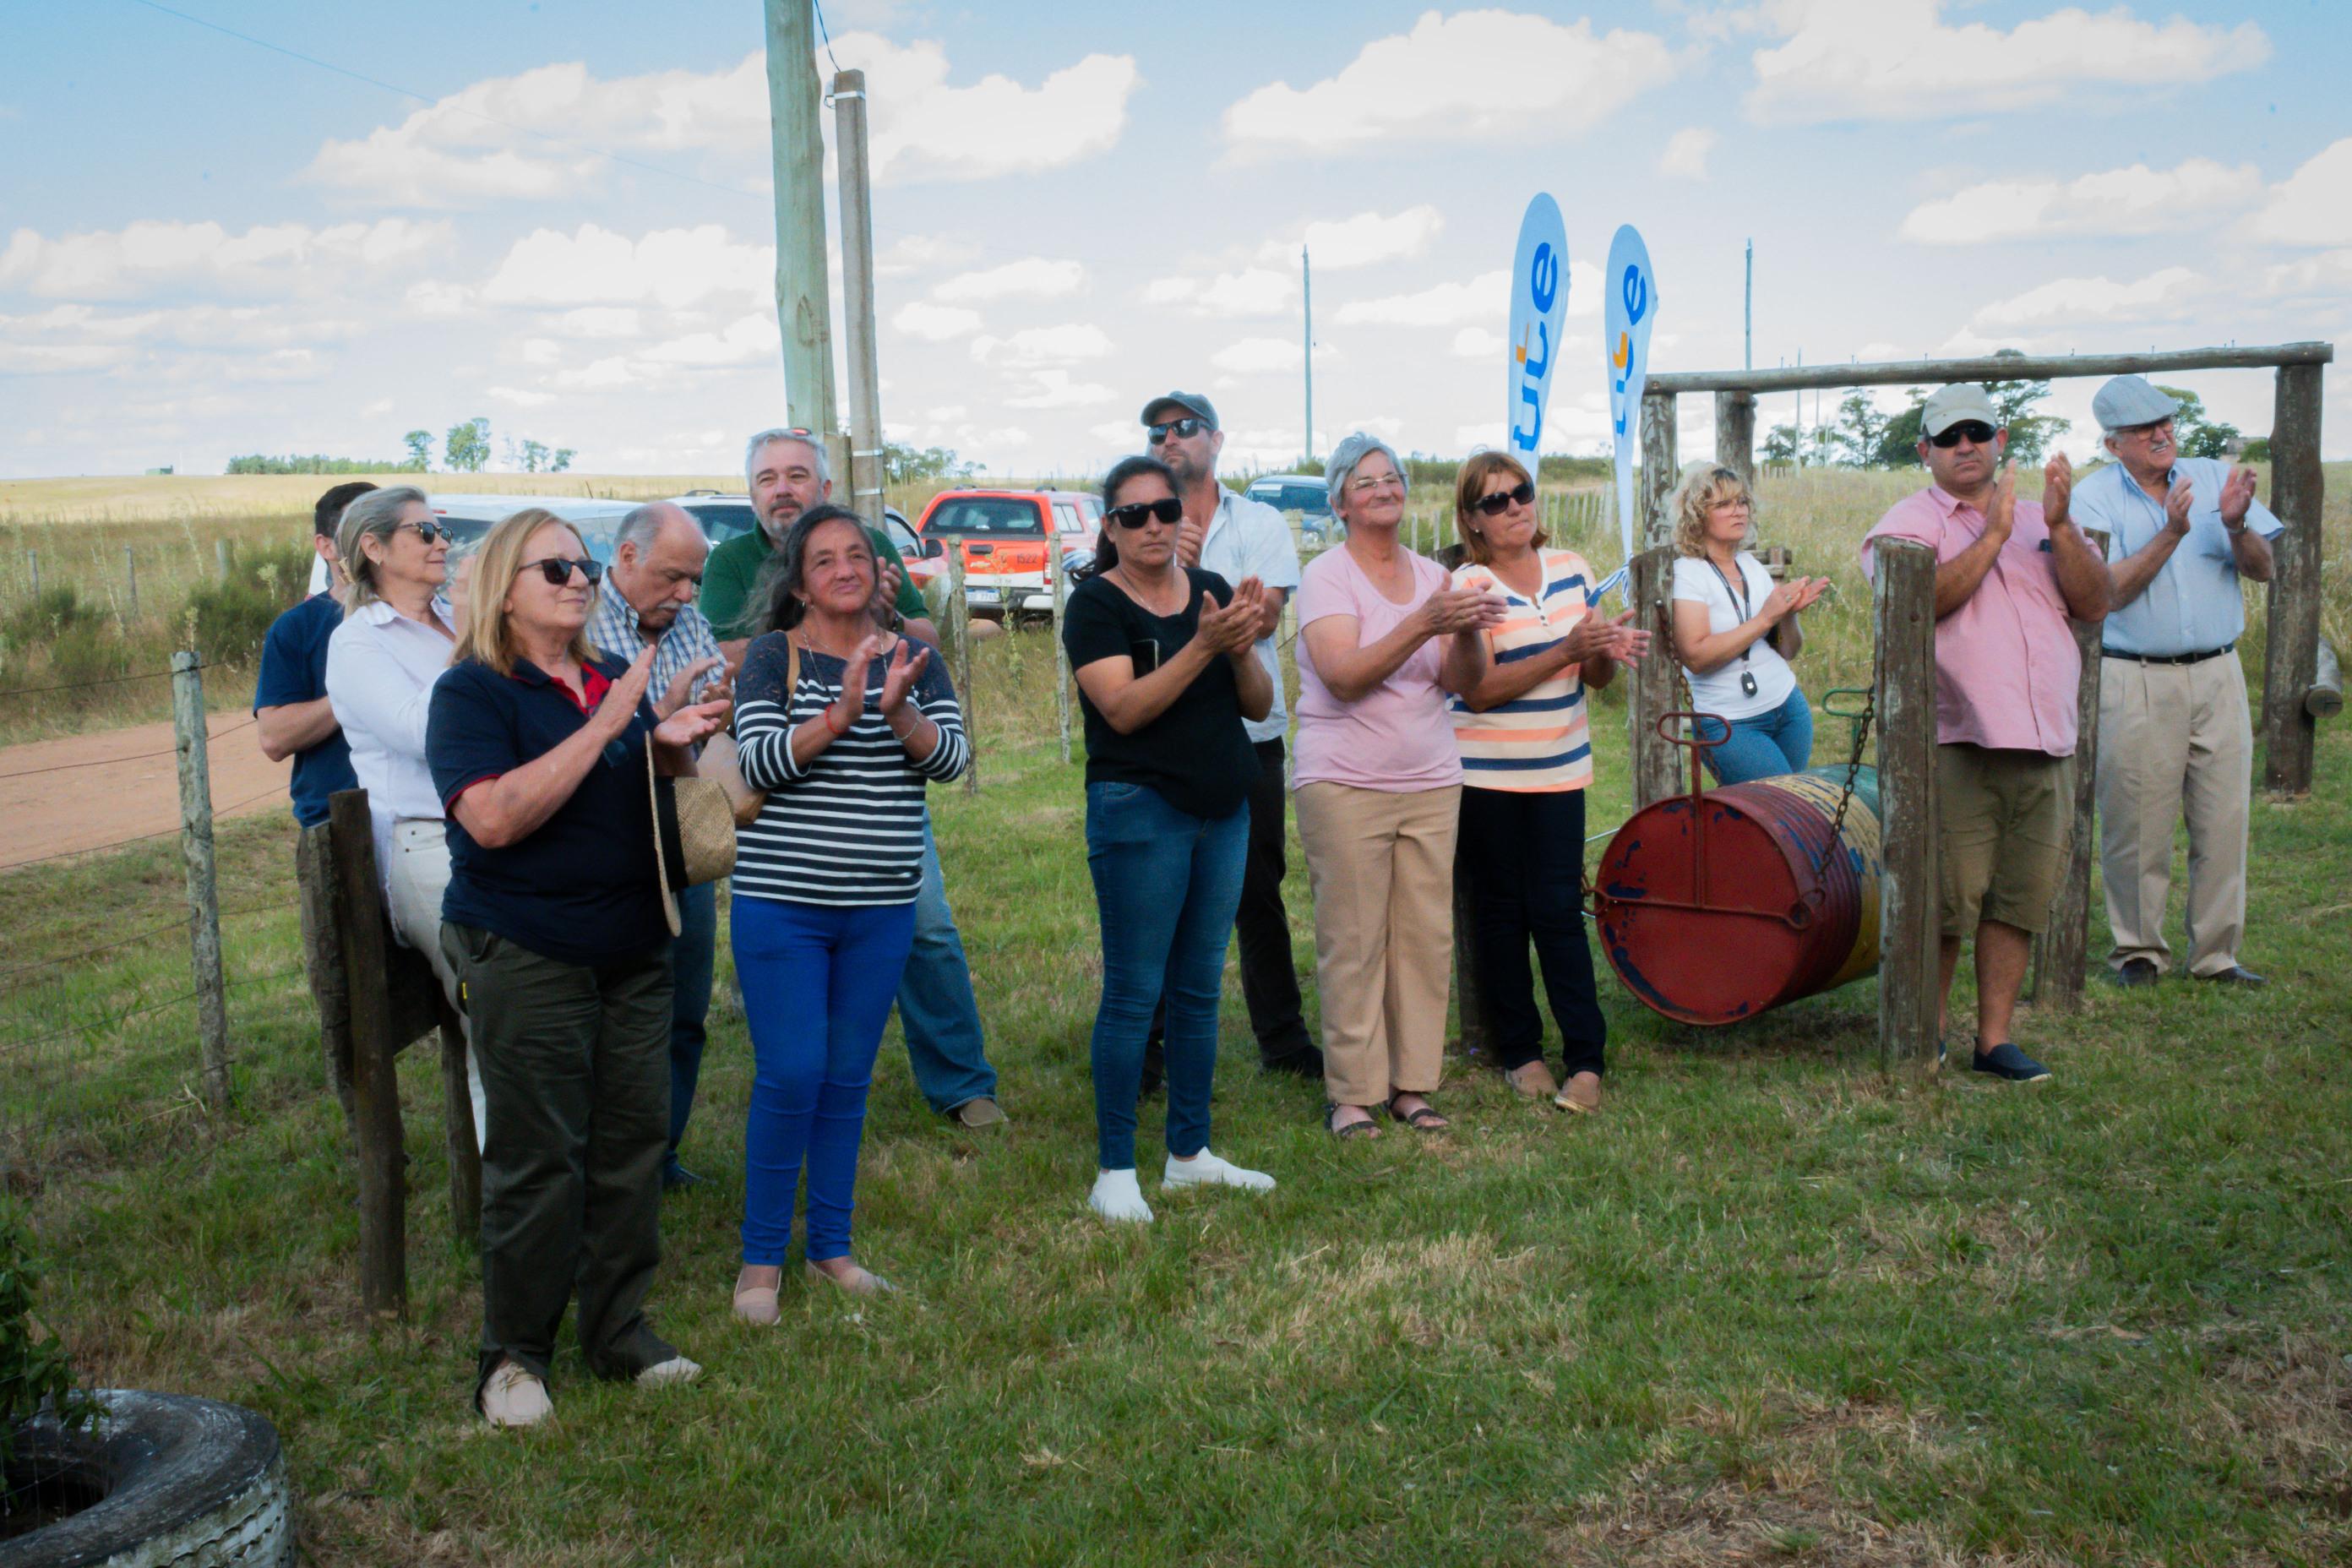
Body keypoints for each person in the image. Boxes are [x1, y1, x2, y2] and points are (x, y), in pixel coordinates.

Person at [427, 508, 730, 1427]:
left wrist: (666, 745)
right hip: (529, 953)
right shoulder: (474, 692)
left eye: (584, 566)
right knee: (538, 1159)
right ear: (502, 589)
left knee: (632, 1145)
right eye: (555, 567)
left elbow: (631, 796)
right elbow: (491, 818)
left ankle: (618, 1329)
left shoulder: (607, 677)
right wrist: (609, 723)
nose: (579, 581)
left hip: (637, 949)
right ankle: (512, 1358)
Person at [701, 428, 1005, 1131]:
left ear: (825, 488)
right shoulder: (731, 560)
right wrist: (839, 621)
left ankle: (961, 1081)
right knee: (796, 951)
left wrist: (883, 617)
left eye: (797, 476)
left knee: (926, 927)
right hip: (788, 824)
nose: (782, 490)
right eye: (767, 478)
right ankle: (796, 1084)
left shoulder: (866, 542)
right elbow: (721, 650)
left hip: (885, 805)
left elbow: (924, 643)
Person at [727, 505, 970, 1322]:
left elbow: (954, 760)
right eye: (824, 559)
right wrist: (839, 715)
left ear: (879, 569)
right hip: (782, 906)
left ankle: (831, 1248)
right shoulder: (774, 656)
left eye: (857, 555)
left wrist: (899, 709)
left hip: (881, 907)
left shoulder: (918, 658)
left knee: (845, 1080)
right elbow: (758, 758)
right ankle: (760, 1262)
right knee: (791, 1071)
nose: (843, 569)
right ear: (799, 582)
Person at [1859, 384, 2109, 1083]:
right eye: (1948, 437)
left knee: (2019, 896)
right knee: (1943, 899)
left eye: (1978, 432)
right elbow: (1915, 605)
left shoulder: (2043, 515)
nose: (1965, 446)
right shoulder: (1906, 523)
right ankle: (1928, 1032)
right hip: (1957, 739)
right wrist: (1994, 535)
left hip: (2045, 738)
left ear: (2002, 440)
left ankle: (1993, 1039)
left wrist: (2059, 529)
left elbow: (2093, 604)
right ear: (1925, 452)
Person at [1063, 454, 1280, 1223]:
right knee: (1133, 993)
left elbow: (1256, 707)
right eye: (1134, 515)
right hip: (1140, 813)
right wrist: (1201, 643)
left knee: (1197, 990)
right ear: (1110, 527)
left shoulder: (1213, 591)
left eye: (1165, 511)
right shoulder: (1094, 605)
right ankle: (1114, 1170)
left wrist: (1240, 644)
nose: (1153, 525)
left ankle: (1189, 1154)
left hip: (1224, 809)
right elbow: (1122, 709)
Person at [1293, 433, 1505, 1138]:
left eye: (1394, 477)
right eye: (1366, 481)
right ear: (1339, 502)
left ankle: (1411, 1085)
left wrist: (1468, 629)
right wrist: (1425, 623)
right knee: (1353, 939)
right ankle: (1352, 1093)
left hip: (1431, 780)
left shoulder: (1433, 574)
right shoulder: (1327, 575)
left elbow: (1463, 684)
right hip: (1345, 782)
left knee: (1422, 938)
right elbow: (1345, 675)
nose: (1384, 489)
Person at [1447, 452, 1648, 1113]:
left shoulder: (1572, 570)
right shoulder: (1468, 586)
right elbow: (1476, 693)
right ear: (1472, 521)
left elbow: (1595, 682)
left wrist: (1601, 648)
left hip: (1561, 768)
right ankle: (1520, 1052)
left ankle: (1586, 1059)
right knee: (1503, 913)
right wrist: (1563, 649)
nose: (1514, 507)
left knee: (1559, 913)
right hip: (1489, 776)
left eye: (1521, 493)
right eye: (1495, 501)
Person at [2070, 376, 2281, 989]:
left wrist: (2239, 527)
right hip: (2134, 676)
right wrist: (2172, 532)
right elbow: (2104, 594)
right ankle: (2139, 952)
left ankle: (2217, 955)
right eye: (2143, 429)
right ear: (2113, 445)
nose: (2161, 434)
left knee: (2224, 816)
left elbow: (2264, 571)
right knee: (2137, 820)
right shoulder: (2092, 501)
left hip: (2218, 671)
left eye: (2165, 421)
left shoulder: (2213, 477)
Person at [1132, 393, 1319, 1081]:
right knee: (1157, 892)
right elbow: (1128, 622)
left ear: (1216, 439)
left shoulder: (1260, 520)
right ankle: (1149, 1047)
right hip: (1162, 734)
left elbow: (1261, 620)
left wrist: (1179, 580)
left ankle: (1284, 1039)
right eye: (1157, 432)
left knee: (1256, 889)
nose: (1169, 440)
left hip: (1248, 731)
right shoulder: (1137, 526)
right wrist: (1171, 569)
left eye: (1183, 428)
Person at [324, 486, 484, 1138]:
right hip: (428, 843)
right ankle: (523, 1208)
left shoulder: (452, 616)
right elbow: (424, 736)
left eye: (440, 530)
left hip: (502, 826)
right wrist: (478, 641)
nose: (442, 542)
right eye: (423, 532)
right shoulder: (360, 643)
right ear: (373, 547)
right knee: (497, 1011)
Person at [591, 503, 730, 1189]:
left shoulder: (685, 617)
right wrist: (661, 722)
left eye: (694, 580)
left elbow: (699, 714)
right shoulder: (577, 621)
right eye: (674, 577)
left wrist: (708, 713)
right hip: (606, 842)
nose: (685, 594)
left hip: (679, 830)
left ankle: (660, 1156)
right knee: (612, 1014)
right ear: (626, 560)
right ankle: (606, 1164)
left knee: (683, 1007)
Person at [1668, 462, 1830, 784]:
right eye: (1724, 504)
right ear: (1697, 514)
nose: (1738, 511)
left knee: (1787, 812)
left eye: (1742, 502)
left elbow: (1789, 651)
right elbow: (1697, 657)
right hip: (1729, 722)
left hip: (1788, 706)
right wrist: (1766, 617)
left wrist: (1789, 614)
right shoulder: (1687, 572)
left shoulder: (1749, 565)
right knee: (1779, 810)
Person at [254, 482, 370, 827]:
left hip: (426, 821)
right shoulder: (297, 628)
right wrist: (356, 690)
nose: (372, 542)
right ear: (326, 546)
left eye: (381, 528)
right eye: (357, 530)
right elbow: (274, 739)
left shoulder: (427, 618)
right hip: (335, 823)